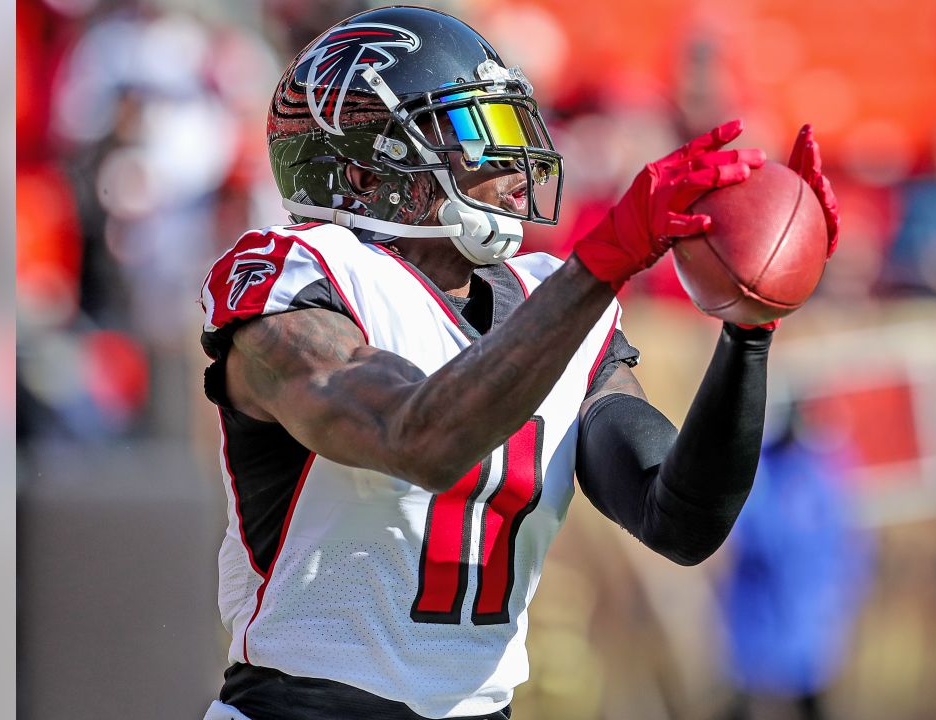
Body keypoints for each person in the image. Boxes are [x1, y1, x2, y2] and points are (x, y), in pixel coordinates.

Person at [197, 6, 839, 719]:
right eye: (478, 130)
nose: (511, 159)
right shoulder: (300, 279)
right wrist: (601, 265)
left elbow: (678, 522)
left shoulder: (545, 297)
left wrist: (748, 331)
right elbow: (418, 438)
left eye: (513, 126)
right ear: (366, 167)